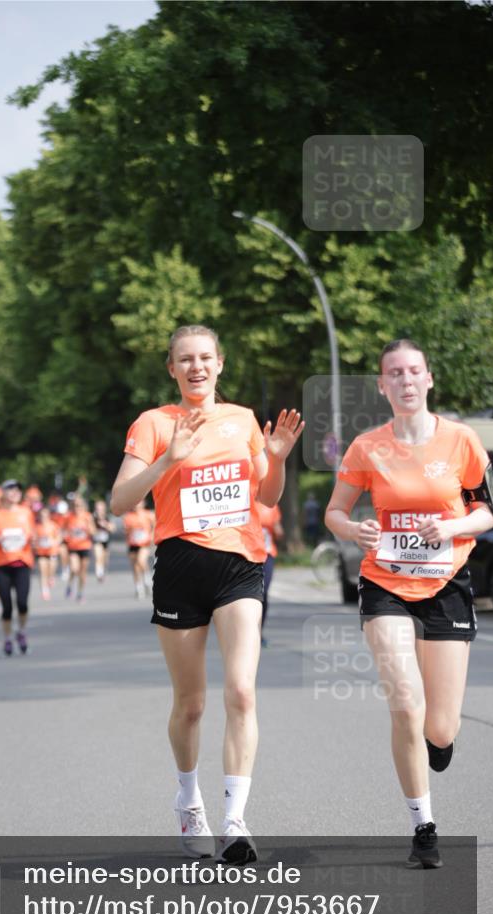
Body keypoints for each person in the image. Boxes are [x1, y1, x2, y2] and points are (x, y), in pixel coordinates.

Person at [110, 324, 303, 864]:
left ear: (220, 364)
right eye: (184, 359)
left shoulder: (242, 420)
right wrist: (169, 457)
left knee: (241, 692)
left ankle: (235, 821)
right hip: (179, 566)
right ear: (171, 368)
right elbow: (120, 501)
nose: (196, 367)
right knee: (191, 705)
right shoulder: (153, 424)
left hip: (240, 563)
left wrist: (279, 457)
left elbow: (266, 496)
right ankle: (189, 800)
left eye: (205, 358)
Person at [325, 339, 493, 869]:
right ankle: (423, 824)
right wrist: (355, 529)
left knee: (440, 727)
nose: (404, 380)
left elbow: (486, 513)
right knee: (406, 702)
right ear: (382, 385)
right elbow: (336, 511)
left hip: (446, 584)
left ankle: (437, 741)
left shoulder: (462, 441)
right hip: (385, 583)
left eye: (413, 371)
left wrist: (448, 526)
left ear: (428, 380)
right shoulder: (366, 447)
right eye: (393, 373)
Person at [0, 479, 35, 655]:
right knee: (7, 607)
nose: (14, 492)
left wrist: (29, 538)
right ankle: (7, 638)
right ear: (3, 493)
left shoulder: (26, 513)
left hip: (22, 562)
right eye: (10, 489)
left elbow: (32, 534)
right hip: (1, 565)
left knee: (22, 603)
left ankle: (21, 631)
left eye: (17, 490)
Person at [256, 501, 284, 646]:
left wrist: (277, 530)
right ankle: (248, 633)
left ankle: (258, 632)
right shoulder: (245, 500)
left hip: (267, 554)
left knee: (263, 593)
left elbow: (278, 529)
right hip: (249, 554)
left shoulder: (271, 505)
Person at [63, 495, 96, 602]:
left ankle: (80, 592)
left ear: (83, 506)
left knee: (82, 572)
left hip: (85, 546)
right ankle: (70, 584)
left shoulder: (87, 516)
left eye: (79, 505)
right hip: (72, 547)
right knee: (74, 568)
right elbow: (64, 530)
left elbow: (93, 531)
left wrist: (88, 528)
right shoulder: (68, 516)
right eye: (75, 505)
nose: (77, 507)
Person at [123, 500, 155, 598]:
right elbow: (126, 531)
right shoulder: (128, 516)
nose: (136, 505)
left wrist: (152, 536)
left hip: (144, 543)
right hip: (132, 543)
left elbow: (155, 525)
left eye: (139, 503)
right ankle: (139, 587)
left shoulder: (148, 514)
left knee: (141, 561)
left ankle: (146, 578)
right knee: (135, 567)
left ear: (143, 503)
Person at [34, 506, 62, 600]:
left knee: (51, 567)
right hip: (40, 552)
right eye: (41, 515)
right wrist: (35, 544)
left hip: (52, 551)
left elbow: (59, 537)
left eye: (45, 515)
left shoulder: (53, 525)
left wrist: (54, 541)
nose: (43, 517)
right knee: (42, 570)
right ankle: (44, 590)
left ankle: (51, 576)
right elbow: (33, 539)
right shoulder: (36, 527)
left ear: (48, 516)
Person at [92, 499, 115, 582]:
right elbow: (91, 531)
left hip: (106, 540)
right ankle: (99, 573)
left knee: (104, 559)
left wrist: (105, 524)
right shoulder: (93, 518)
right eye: (97, 509)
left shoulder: (107, 517)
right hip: (97, 540)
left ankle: (103, 570)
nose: (99, 510)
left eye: (101, 508)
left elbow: (113, 529)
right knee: (98, 556)